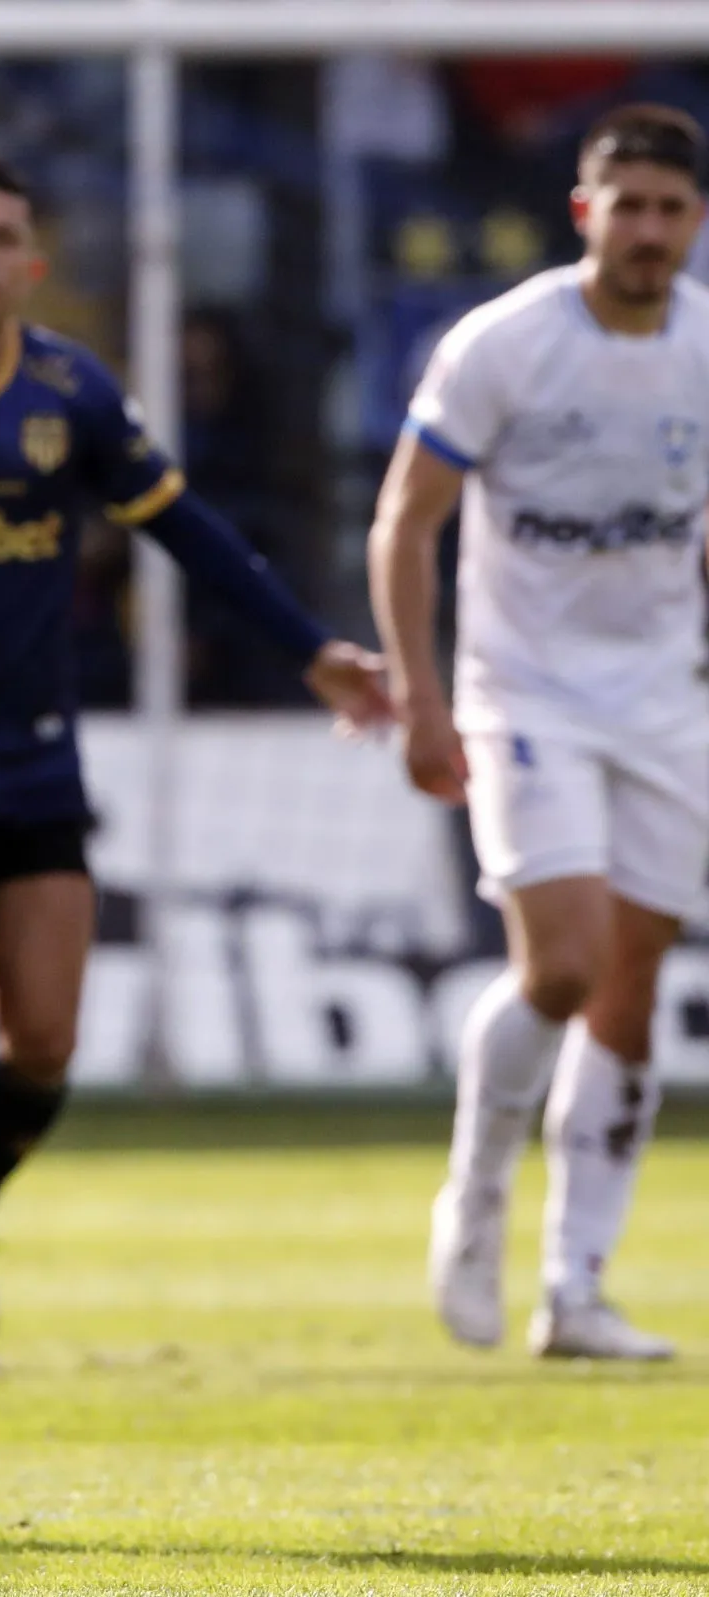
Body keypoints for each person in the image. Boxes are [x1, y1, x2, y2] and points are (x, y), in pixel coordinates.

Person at [0, 151, 393, 1377]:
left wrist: (309, 648)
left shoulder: (69, 390)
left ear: (31, 266)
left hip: (40, 758)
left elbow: (188, 532)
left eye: (5, 235)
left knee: (47, 1047)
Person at [371, 103, 709, 1363]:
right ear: (586, 212)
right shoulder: (503, 342)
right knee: (560, 965)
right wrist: (419, 696)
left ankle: (575, 1289)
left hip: (668, 703)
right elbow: (404, 523)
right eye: (627, 206)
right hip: (525, 695)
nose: (648, 231)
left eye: (671, 209)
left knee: (630, 994)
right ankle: (476, 1193)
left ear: (695, 221)